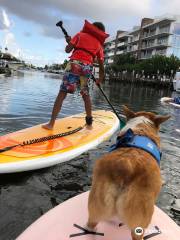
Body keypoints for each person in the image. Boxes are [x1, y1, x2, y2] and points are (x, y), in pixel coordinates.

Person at [43, 20, 109, 130]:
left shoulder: (79, 35)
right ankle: (89, 124)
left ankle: (51, 124)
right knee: (85, 95)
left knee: (62, 93)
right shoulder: (99, 44)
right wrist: (100, 79)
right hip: (86, 68)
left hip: (74, 64)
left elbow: (67, 50)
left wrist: (69, 42)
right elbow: (102, 66)